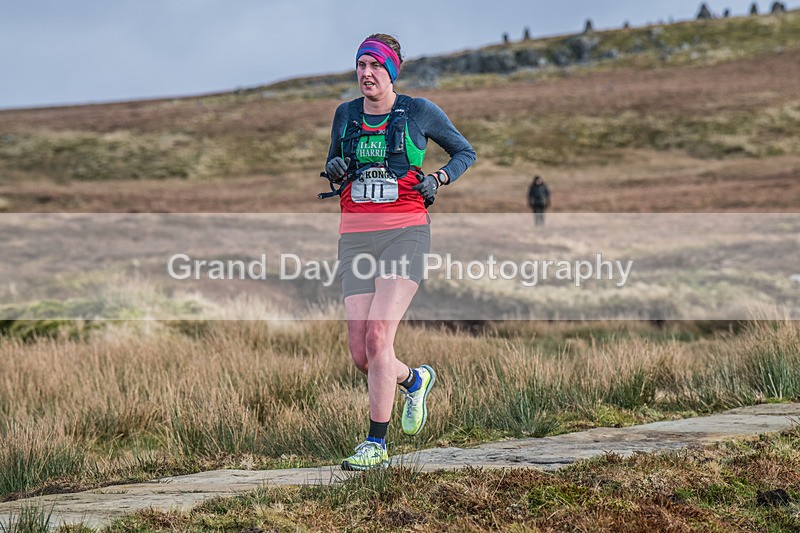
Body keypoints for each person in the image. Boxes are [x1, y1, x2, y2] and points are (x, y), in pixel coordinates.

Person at [323, 34, 476, 470]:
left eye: (375, 65)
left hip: (404, 232)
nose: (366, 73)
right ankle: (414, 379)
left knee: (377, 338)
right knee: (361, 354)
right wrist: (334, 168)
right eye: (361, 65)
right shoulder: (346, 114)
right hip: (355, 236)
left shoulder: (419, 112)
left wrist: (440, 179)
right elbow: (335, 165)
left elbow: (466, 152)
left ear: (392, 71)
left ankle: (376, 444)